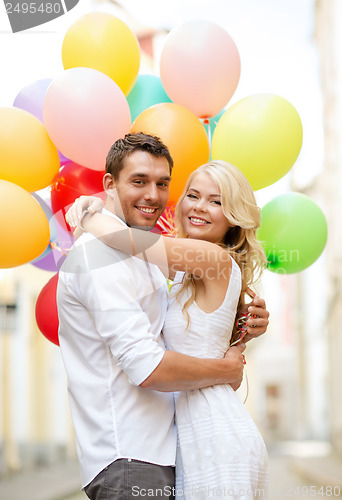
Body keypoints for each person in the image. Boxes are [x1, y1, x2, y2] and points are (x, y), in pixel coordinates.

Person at [59, 133, 269, 500]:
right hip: (141, 455)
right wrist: (227, 365)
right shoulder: (163, 268)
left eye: (217, 201)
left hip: (207, 438)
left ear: (233, 215)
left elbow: (133, 240)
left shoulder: (206, 260)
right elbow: (152, 365)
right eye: (193, 195)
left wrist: (92, 215)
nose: (200, 207)